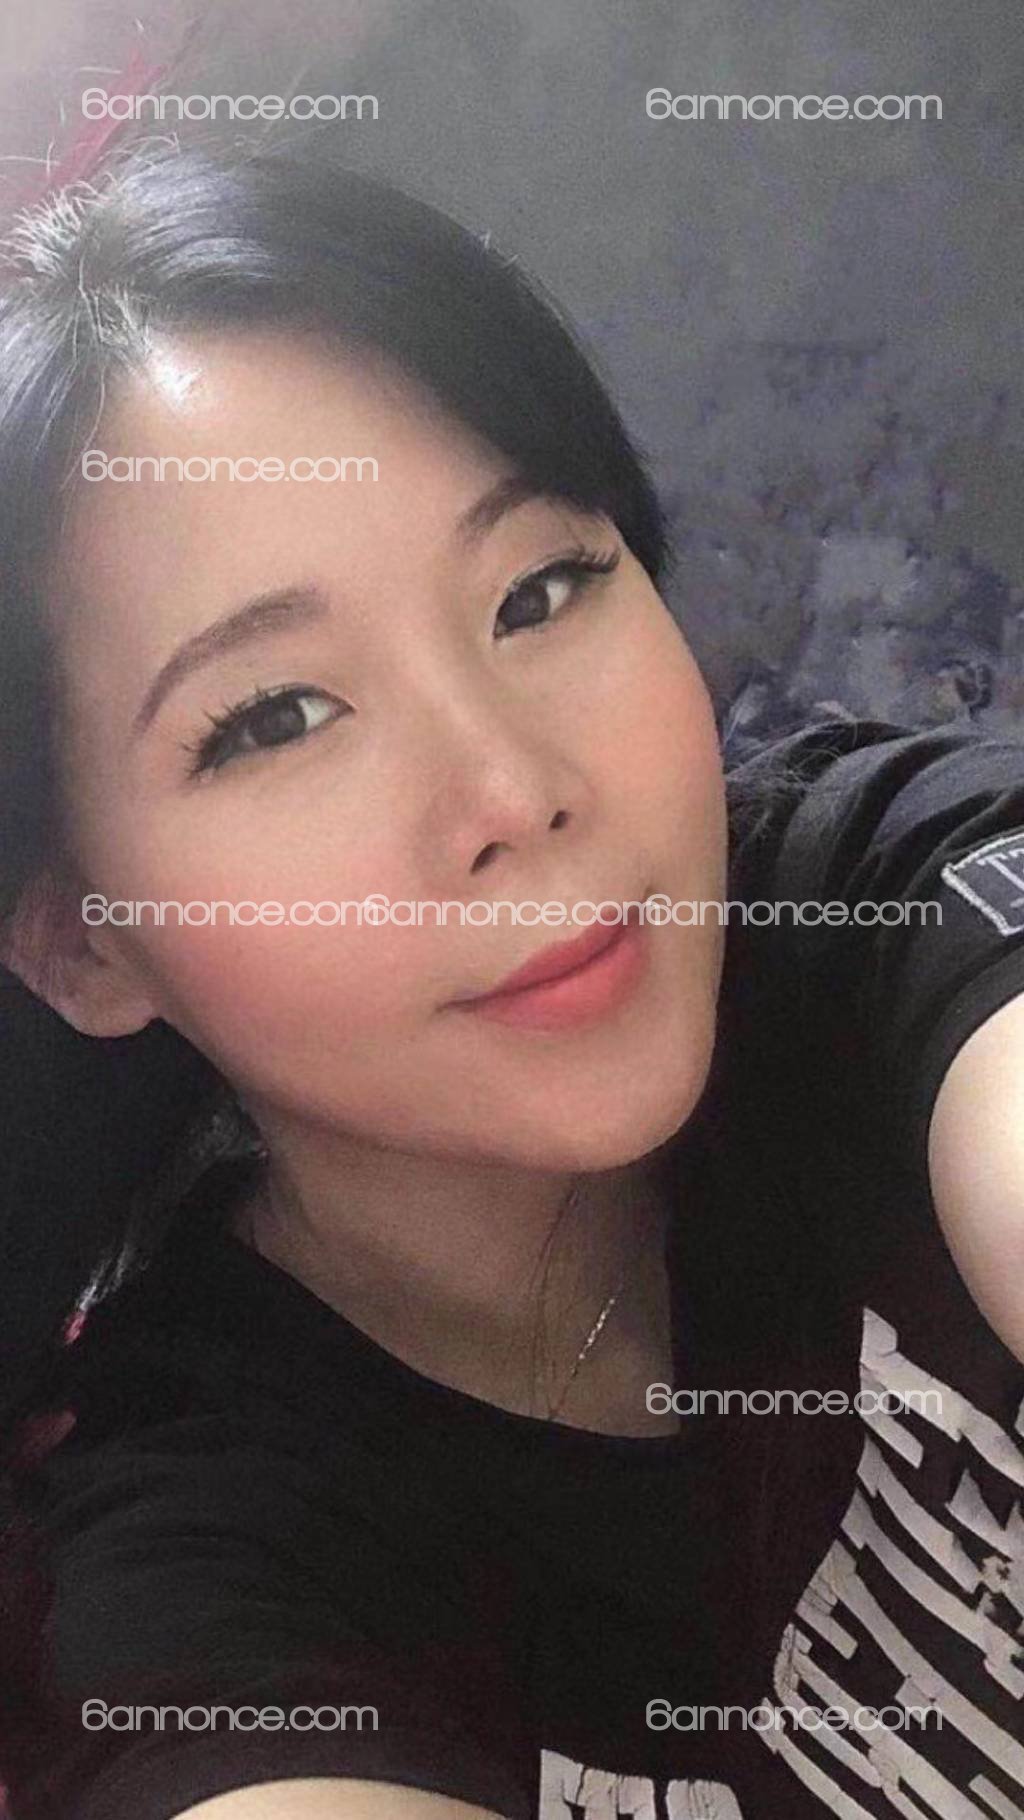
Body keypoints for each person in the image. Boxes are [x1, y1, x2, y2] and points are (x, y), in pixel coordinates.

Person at [0, 142, 1021, 1820]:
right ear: (82, 940)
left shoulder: (893, 908)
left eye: (540, 589)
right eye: (276, 718)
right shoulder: (200, 1576)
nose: (514, 790)